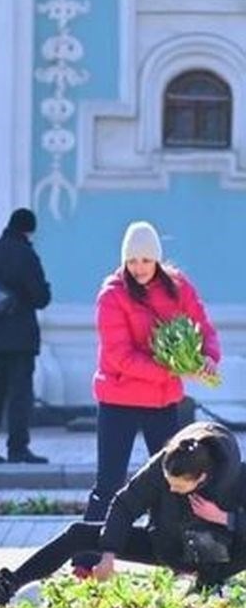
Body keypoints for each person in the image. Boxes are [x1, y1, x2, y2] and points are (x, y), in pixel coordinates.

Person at [0, 421, 246, 605]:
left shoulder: (236, 476)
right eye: (168, 483)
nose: (171, 489)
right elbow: (125, 504)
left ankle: (208, 588)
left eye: (179, 486)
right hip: (164, 543)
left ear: (202, 478)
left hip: (216, 557)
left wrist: (226, 518)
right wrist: (108, 554)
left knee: (219, 538)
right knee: (78, 534)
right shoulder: (165, 465)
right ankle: (6, 586)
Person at [82, 221, 220, 527]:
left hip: (161, 403)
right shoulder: (112, 295)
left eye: (145, 260)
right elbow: (119, 357)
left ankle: (172, 555)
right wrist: (174, 369)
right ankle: (86, 561)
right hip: (119, 400)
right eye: (131, 261)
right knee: (109, 482)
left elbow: (202, 326)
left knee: (172, 479)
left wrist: (208, 356)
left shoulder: (178, 286)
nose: (138, 267)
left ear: (156, 259)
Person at [0, 208, 52, 464]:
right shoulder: (27, 256)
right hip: (21, 340)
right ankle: (18, 448)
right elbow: (41, 298)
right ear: (29, 231)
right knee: (20, 397)